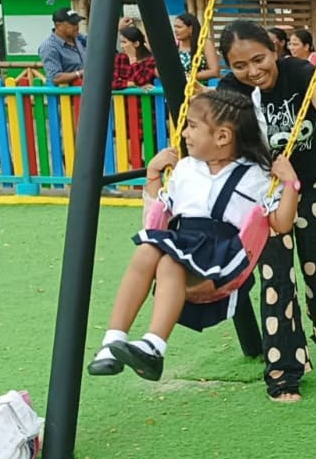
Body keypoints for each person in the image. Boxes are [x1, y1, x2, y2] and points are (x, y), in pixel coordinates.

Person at [87, 89, 300, 382]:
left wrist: (290, 184)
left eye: (192, 126)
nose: (184, 133)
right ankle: (112, 342)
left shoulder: (257, 176)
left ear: (222, 137)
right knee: (147, 250)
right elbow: (158, 217)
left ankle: (154, 346)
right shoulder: (185, 168)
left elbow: (281, 224)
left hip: (222, 254)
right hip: (181, 241)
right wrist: (153, 176)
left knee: (170, 262)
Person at [216, 21, 316, 403]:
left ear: (274, 50)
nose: (252, 71)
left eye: (258, 59)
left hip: (314, 185)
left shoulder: (296, 71)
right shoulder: (230, 92)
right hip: (265, 197)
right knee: (276, 280)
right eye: (240, 65)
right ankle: (283, 367)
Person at [39, 9, 87, 85]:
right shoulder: (49, 47)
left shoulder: (78, 37)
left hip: (87, 87)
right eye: (72, 24)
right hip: (66, 91)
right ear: (59, 25)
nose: (77, 27)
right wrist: (80, 73)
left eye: (77, 23)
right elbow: (55, 78)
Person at [173, 13, 221, 85]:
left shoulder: (204, 44)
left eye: (179, 27)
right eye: (175, 27)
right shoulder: (175, 45)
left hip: (199, 87)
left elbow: (215, 71)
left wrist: (189, 76)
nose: (175, 30)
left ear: (190, 29)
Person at [112, 25, 157, 91]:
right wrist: (131, 84)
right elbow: (111, 83)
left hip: (144, 97)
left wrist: (132, 59)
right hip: (121, 97)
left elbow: (142, 81)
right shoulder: (120, 58)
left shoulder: (150, 61)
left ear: (136, 43)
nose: (121, 46)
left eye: (124, 42)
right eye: (121, 42)